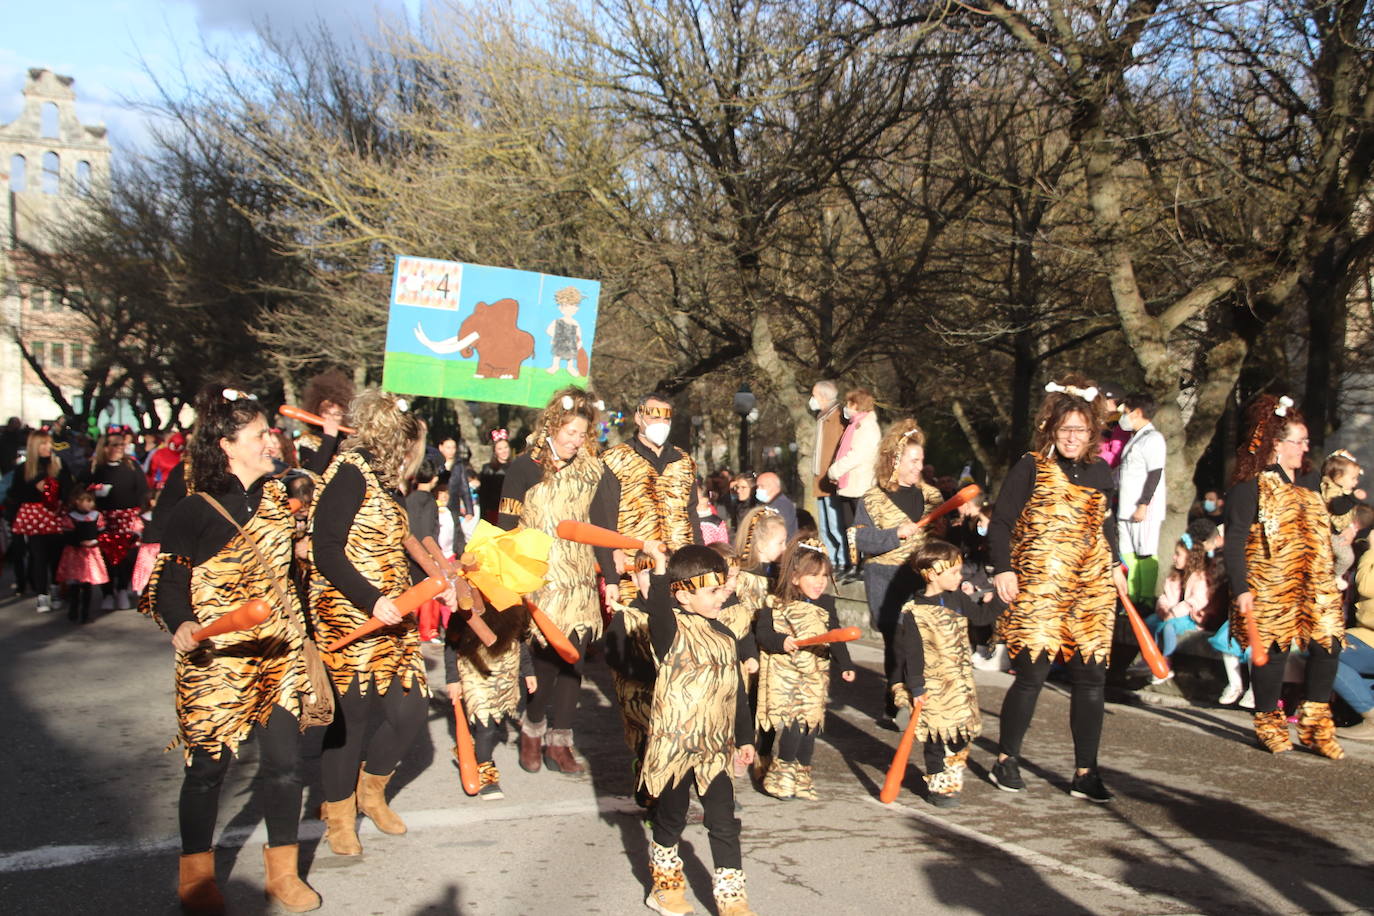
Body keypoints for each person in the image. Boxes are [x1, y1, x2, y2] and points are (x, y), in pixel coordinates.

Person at [140, 385, 321, 913]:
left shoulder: (277, 498)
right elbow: (168, 584)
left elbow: (293, 569)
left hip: (278, 656)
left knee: (286, 766)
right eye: (261, 434)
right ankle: (196, 878)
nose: (272, 441)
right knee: (206, 771)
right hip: (215, 662)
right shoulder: (193, 511)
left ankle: (283, 873)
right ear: (227, 445)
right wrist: (181, 622)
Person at [989, 381, 1125, 803]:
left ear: (1092, 434)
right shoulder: (1030, 466)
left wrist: (1117, 564)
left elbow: (1105, 525)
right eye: (1065, 428)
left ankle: (1086, 772)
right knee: (1032, 674)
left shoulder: (1101, 473)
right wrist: (1002, 569)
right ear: (1052, 429)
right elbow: (1000, 522)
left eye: (1081, 430)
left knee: (1091, 678)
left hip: (1090, 587)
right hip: (1040, 584)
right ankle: (1005, 759)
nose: (1072, 437)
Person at [311, 390, 432, 854]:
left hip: (393, 615)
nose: (409, 454)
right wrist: (370, 598)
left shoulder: (384, 482)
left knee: (410, 711)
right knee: (351, 720)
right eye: (405, 443)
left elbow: (396, 547)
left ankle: (371, 792)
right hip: (351, 615)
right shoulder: (348, 474)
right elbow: (325, 550)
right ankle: (339, 816)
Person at [498, 387, 620, 774]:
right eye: (569, 432)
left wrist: (611, 579)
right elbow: (506, 524)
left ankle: (560, 742)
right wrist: (506, 576)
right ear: (552, 425)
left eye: (582, 435)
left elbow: (600, 527)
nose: (575, 441)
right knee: (547, 665)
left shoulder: (592, 471)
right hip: (541, 578)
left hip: (580, 580)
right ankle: (532, 729)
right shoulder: (524, 467)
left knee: (574, 663)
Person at [639, 543, 758, 916]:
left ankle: (732, 899)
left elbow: (735, 691)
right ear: (684, 595)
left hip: (715, 749)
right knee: (671, 819)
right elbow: (658, 606)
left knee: (723, 821)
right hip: (675, 748)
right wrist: (659, 567)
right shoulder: (669, 631)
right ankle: (665, 887)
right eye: (712, 590)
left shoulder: (725, 635)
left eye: (722, 587)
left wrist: (745, 738)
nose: (723, 594)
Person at [1223, 395, 1345, 758]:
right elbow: (1234, 540)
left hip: (1314, 581)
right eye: (1300, 441)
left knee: (1329, 641)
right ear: (1278, 444)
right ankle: (1267, 721)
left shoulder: (1309, 482)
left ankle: (1314, 722)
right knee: (1273, 652)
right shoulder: (1250, 487)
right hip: (1270, 581)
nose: (1306, 448)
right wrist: (1241, 588)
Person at [891, 540, 1004, 807]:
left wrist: (1001, 599)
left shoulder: (958, 598)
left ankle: (950, 773)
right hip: (932, 685)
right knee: (936, 735)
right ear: (932, 574)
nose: (960, 576)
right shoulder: (915, 612)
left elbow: (981, 617)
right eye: (953, 572)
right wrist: (916, 688)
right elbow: (913, 654)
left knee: (960, 734)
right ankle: (938, 784)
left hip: (959, 683)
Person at [852, 419, 945, 728]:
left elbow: (944, 540)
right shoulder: (872, 499)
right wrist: (894, 535)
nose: (920, 466)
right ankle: (894, 701)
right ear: (894, 460)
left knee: (919, 641)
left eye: (921, 460)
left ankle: (916, 698)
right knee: (898, 641)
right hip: (886, 578)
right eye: (913, 460)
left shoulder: (932, 497)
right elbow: (860, 539)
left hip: (921, 577)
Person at [755, 538, 855, 800]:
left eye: (824, 575)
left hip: (813, 677)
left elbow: (836, 636)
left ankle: (801, 776)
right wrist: (781, 641)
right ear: (795, 577)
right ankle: (780, 777)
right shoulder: (774, 604)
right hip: (785, 678)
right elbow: (763, 634)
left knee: (810, 727)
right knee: (793, 726)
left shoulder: (826, 605)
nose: (820, 581)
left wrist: (845, 663)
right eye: (813, 575)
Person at [598, 393, 703, 602]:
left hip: (679, 569)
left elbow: (692, 515)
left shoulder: (684, 462)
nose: (662, 423)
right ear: (639, 418)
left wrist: (699, 561)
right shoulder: (615, 459)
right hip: (633, 570)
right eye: (655, 417)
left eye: (666, 418)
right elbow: (604, 516)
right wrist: (611, 567)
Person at [444, 592, 534, 800]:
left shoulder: (514, 598)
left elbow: (520, 638)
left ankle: (475, 751)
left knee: (492, 718)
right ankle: (487, 772)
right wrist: (452, 678)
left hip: (505, 667)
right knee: (486, 723)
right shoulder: (466, 600)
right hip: (473, 666)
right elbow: (451, 642)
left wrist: (528, 672)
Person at [11, 427, 74, 612]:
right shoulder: (24, 468)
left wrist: (57, 491)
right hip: (34, 516)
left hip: (55, 514)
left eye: (49, 443)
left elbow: (69, 487)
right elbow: (15, 493)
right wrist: (35, 487)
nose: (48, 447)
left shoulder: (59, 464)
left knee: (56, 555)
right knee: (38, 556)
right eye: (44, 444)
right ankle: (41, 594)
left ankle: (55, 588)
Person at [1141, 531, 1215, 684]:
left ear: (1190, 558)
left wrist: (1173, 613)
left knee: (1168, 627)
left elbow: (1195, 601)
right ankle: (1148, 658)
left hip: (1189, 617)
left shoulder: (1200, 578)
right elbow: (1164, 595)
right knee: (1149, 622)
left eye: (1178, 554)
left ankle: (1166, 662)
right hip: (1170, 613)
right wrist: (1162, 608)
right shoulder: (1174, 576)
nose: (1174, 557)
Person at [88, 425, 148, 610]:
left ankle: (122, 589)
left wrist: (140, 512)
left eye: (122, 445)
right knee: (105, 556)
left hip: (127, 518)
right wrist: (95, 492)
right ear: (105, 447)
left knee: (128, 555)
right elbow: (81, 490)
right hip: (104, 518)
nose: (119, 448)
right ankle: (107, 592)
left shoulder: (132, 465)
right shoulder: (95, 467)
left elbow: (143, 491)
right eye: (115, 445)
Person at [1115, 393, 1167, 601]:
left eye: (1126, 412)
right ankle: (1132, 596)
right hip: (1125, 507)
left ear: (1137, 413)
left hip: (1143, 508)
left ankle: (1146, 598)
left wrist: (1143, 503)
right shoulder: (1135, 439)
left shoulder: (1153, 438)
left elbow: (1155, 472)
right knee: (1128, 552)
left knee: (1145, 552)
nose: (1123, 417)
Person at [827, 389, 881, 567]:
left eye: (849, 404)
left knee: (862, 529)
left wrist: (835, 470)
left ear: (857, 405)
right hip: (849, 486)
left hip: (860, 486)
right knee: (850, 528)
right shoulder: (854, 425)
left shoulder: (867, 427)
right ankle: (854, 563)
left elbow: (857, 455)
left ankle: (865, 563)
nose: (846, 407)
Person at [1337, 525, 1374, 739]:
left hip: (1369, 637)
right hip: (1366, 634)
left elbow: (1367, 585)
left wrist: (1372, 550)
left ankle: (1371, 717)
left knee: (1325, 651)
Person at [809, 380, 848, 574]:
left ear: (823, 397)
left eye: (814, 395)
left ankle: (843, 559)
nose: (812, 399)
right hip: (820, 480)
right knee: (825, 526)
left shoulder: (838, 417)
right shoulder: (822, 417)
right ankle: (831, 559)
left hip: (832, 481)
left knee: (835, 524)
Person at [56, 488, 106, 624]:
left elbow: (102, 533)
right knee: (74, 584)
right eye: (87, 501)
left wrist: (95, 541)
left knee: (87, 584)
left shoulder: (96, 516)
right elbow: (67, 536)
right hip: (75, 554)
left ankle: (85, 613)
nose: (90, 505)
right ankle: (73, 609)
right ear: (77, 502)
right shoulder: (71, 517)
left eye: (91, 501)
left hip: (90, 554)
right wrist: (79, 542)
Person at [295, 369, 354, 475]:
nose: (331, 419)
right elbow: (313, 471)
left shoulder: (348, 440)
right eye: (327, 413)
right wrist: (329, 437)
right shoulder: (307, 439)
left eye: (337, 414)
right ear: (318, 412)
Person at [1321, 449, 1365, 580]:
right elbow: (1338, 508)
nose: (1356, 482)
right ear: (1338, 477)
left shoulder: (1344, 490)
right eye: (1353, 478)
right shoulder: (1331, 489)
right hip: (1331, 534)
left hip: (1342, 531)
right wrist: (1353, 497)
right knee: (1347, 557)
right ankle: (1334, 576)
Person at [477, 429, 512, 524]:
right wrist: (483, 518)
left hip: (512, 511)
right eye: (500, 449)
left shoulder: (516, 466)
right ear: (495, 451)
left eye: (506, 447)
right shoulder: (488, 469)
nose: (504, 451)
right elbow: (483, 496)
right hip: (493, 512)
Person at [753, 472, 797, 538]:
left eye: (762, 486)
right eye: (757, 486)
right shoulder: (764, 504)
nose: (758, 489)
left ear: (773, 486)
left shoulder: (782, 505)